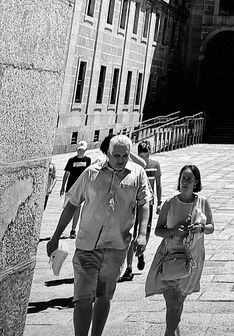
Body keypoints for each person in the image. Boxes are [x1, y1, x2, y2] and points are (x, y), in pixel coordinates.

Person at [46, 134, 151, 336]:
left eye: (125, 155)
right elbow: (72, 205)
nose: (121, 160)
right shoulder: (91, 173)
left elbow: (144, 203)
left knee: (104, 296)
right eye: (116, 155)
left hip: (116, 246)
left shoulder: (137, 173)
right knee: (83, 297)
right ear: (108, 153)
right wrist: (56, 235)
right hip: (87, 246)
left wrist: (142, 234)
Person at [146, 164, 214, 336]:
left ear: (196, 182)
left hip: (192, 258)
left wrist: (201, 228)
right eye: (183, 178)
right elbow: (158, 230)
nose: (185, 182)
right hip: (170, 258)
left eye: (189, 179)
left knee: (178, 303)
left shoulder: (203, 202)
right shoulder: (169, 203)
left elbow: (211, 227)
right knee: (173, 303)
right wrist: (173, 232)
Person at [120, 140, 163, 281]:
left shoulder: (155, 165)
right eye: (142, 154)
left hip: (148, 202)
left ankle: (140, 252)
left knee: (145, 232)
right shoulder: (134, 165)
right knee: (132, 232)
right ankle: (129, 267)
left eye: (146, 154)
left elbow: (158, 185)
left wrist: (159, 202)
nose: (144, 157)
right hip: (134, 203)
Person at [60, 139, 92, 238]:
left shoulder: (88, 160)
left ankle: (73, 230)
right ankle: (61, 229)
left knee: (77, 208)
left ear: (85, 150)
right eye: (79, 150)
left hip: (81, 188)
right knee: (66, 208)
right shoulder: (71, 160)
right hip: (70, 187)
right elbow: (66, 173)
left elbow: (89, 174)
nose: (80, 151)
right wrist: (62, 187)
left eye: (82, 150)